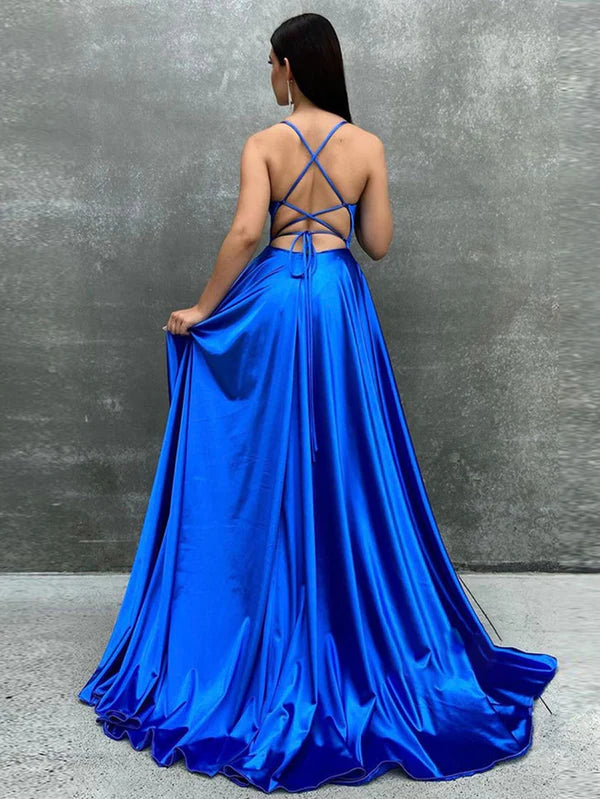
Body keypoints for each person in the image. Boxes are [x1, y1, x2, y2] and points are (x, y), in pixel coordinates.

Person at [78, 12, 558, 794]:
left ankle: (259, 611)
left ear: (289, 67)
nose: (269, 75)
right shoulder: (367, 146)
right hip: (336, 306)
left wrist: (202, 309)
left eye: (270, 63)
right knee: (343, 459)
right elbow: (379, 244)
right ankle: (344, 613)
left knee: (265, 461)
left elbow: (246, 233)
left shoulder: (263, 144)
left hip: (274, 304)